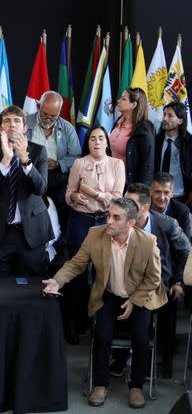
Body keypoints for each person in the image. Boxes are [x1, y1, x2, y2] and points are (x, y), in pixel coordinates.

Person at [43, 198, 165, 409]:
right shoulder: (95, 235)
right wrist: (57, 280)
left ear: (130, 223)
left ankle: (136, 386)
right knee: (102, 336)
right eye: (109, 215)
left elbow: (154, 279)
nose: (109, 221)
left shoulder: (147, 242)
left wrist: (134, 301)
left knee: (141, 337)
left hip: (139, 294)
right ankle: (100, 384)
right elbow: (76, 264)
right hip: (109, 293)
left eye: (116, 218)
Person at [62, 126, 125, 343]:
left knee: (105, 272)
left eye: (100, 138)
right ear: (87, 143)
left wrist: (94, 193)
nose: (96, 142)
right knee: (77, 272)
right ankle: (73, 322)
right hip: (81, 220)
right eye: (92, 139)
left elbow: (116, 200)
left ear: (107, 142)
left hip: (107, 221)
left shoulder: (117, 164)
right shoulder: (80, 163)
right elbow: (69, 193)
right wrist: (75, 198)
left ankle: (102, 324)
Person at [124, 183, 190, 379]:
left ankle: (165, 361)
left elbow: (186, 251)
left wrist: (178, 281)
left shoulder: (167, 223)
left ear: (144, 207)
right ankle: (120, 358)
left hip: (160, 283)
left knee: (170, 301)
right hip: (127, 283)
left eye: (131, 203)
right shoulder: (120, 221)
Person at [0, 105, 51, 276]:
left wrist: (25, 160)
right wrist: (5, 162)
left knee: (32, 286)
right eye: (7, 121)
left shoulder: (38, 151)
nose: (12, 125)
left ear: (25, 127)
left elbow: (41, 188)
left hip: (31, 232)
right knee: (0, 289)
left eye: (17, 121)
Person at [25, 91, 82, 223]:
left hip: (56, 176)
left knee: (62, 203)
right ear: (38, 106)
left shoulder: (67, 128)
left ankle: (60, 240)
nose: (48, 119)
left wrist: (59, 163)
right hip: (31, 174)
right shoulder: (25, 122)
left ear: (60, 112)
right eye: (45, 114)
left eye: (53, 116)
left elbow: (77, 157)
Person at [110, 87, 154, 185]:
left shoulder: (144, 130)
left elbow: (147, 165)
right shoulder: (118, 121)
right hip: (110, 180)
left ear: (134, 104)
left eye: (123, 99)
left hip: (128, 185)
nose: (118, 101)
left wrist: (139, 193)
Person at [154, 101, 192, 204]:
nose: (165, 119)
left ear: (180, 121)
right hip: (157, 196)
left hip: (180, 197)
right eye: (164, 115)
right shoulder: (156, 140)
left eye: (170, 116)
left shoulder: (189, 143)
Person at [151, 172, 192, 240]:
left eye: (166, 192)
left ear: (172, 193)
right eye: (157, 192)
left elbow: (185, 243)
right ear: (150, 191)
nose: (162, 198)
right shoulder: (143, 207)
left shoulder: (181, 211)